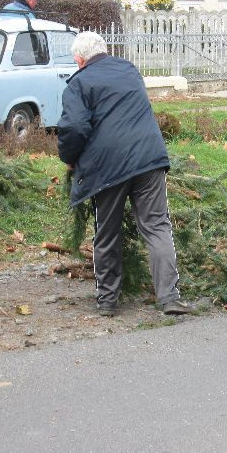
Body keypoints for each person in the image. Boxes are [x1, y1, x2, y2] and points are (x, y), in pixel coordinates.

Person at [57, 31, 192, 317]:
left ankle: (107, 301)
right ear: (104, 51)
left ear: (79, 60)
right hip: (149, 157)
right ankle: (169, 297)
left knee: (106, 231)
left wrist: (69, 159)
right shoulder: (130, 70)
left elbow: (75, 129)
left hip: (108, 166)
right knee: (157, 226)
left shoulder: (78, 83)